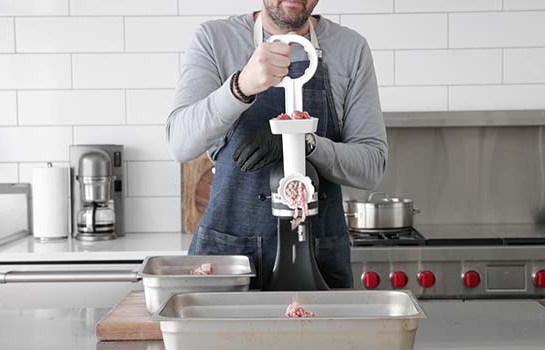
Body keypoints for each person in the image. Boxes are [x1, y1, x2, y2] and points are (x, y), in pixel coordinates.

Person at [166, 0, 387, 289]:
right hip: (229, 259)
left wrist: (303, 142)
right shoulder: (215, 40)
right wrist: (240, 87)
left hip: (317, 257)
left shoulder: (350, 48)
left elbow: (371, 166)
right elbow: (180, 144)